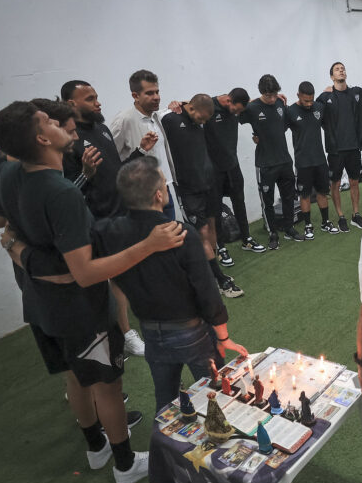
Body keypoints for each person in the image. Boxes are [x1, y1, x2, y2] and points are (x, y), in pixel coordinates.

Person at [0, 100, 185, 483]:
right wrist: (148, 244)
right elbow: (84, 272)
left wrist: (18, 249)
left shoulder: (8, 172)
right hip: (83, 311)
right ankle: (126, 465)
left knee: (76, 377)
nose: (68, 124)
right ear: (43, 136)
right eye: (49, 120)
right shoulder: (61, 193)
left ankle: (97, 449)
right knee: (108, 386)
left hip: (42, 306)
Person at [92, 157, 248, 413]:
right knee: (216, 397)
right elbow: (208, 293)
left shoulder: (110, 232)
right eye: (165, 183)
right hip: (192, 334)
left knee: (166, 402)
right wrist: (223, 337)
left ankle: (168, 451)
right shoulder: (180, 234)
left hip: (152, 333)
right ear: (158, 194)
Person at [61, 79, 157, 355]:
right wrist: (83, 175)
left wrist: (139, 152)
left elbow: (115, 171)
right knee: (115, 276)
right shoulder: (69, 139)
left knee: (129, 271)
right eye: (90, 98)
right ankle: (125, 334)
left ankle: (130, 325)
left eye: (96, 96)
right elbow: (68, 191)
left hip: (122, 210)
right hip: (98, 219)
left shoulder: (101, 129)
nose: (98, 102)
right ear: (71, 104)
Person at [161, 94, 244, 298]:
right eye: (202, 118)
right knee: (202, 232)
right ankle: (219, 279)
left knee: (212, 225)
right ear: (191, 108)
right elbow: (154, 118)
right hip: (189, 189)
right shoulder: (170, 119)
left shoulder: (198, 118)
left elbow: (213, 100)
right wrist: (174, 104)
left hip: (208, 183)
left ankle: (211, 272)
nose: (204, 122)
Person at [239, 74, 302, 250]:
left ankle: (289, 227)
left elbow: (283, 126)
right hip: (265, 163)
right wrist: (251, 101)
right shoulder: (252, 108)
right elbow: (235, 115)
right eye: (268, 95)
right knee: (267, 201)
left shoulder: (280, 103)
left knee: (289, 196)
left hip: (284, 160)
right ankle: (272, 232)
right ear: (261, 93)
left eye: (275, 94)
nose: (272, 98)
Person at [108, 70, 181, 220]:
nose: (156, 97)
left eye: (157, 92)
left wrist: (178, 103)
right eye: (149, 93)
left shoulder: (156, 116)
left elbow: (194, 103)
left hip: (164, 189)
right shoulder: (124, 120)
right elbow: (110, 158)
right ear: (135, 96)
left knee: (170, 238)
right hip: (141, 197)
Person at [205, 87, 266, 262]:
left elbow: (252, 103)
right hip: (213, 169)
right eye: (237, 110)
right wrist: (177, 104)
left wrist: (271, 97)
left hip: (232, 165)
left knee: (239, 202)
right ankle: (221, 247)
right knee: (215, 209)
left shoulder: (238, 107)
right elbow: (189, 109)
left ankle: (246, 239)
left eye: (241, 111)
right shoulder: (209, 106)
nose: (238, 113)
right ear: (228, 101)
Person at [318, 62, 362, 231]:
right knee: (335, 184)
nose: (341, 71)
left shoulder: (356, 93)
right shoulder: (325, 98)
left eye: (343, 69)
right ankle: (341, 216)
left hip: (353, 147)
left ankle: (356, 214)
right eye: (337, 70)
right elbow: (309, 108)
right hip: (335, 149)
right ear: (332, 77)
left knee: (354, 182)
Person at [287, 81, 340, 237]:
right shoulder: (290, 111)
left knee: (323, 192)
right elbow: (277, 128)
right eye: (306, 101)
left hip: (320, 159)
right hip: (303, 161)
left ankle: (325, 222)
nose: (309, 104)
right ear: (298, 96)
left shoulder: (319, 108)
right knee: (304, 195)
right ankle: (308, 225)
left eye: (311, 100)